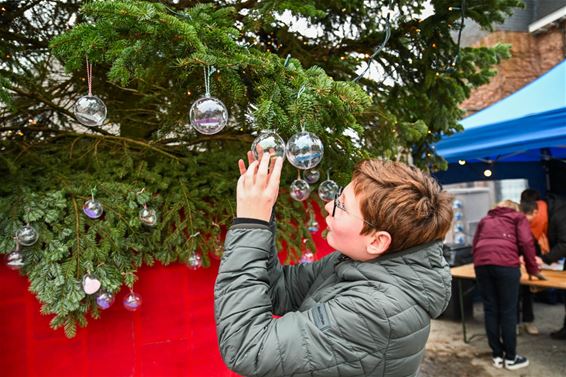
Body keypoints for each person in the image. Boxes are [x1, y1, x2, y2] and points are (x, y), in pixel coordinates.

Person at [214, 153, 453, 377]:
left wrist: (251, 222)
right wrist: (262, 211)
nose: (329, 206)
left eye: (342, 205)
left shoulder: (375, 311)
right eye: (338, 195)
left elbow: (247, 347)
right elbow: (280, 290)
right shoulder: (359, 265)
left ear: (377, 241)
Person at [472, 200, 544, 370]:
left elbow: (475, 245)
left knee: (490, 310)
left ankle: (497, 356)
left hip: (482, 265)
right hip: (506, 266)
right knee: (508, 310)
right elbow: (526, 243)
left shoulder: (485, 220)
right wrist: (532, 269)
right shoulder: (518, 217)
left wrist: (480, 262)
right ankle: (511, 358)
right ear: (514, 209)